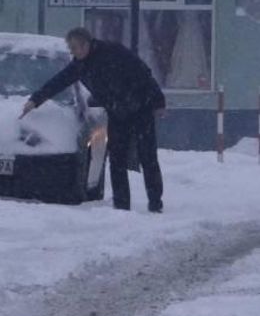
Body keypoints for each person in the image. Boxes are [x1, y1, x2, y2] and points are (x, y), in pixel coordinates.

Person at [20, 27, 166, 213]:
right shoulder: (81, 65)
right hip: (117, 113)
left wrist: (158, 101)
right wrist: (35, 100)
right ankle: (121, 206)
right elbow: (59, 81)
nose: (72, 52)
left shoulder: (114, 52)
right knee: (117, 160)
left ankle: (155, 202)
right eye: (70, 48)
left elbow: (143, 73)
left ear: (86, 44)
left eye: (74, 48)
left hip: (140, 108)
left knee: (148, 157)